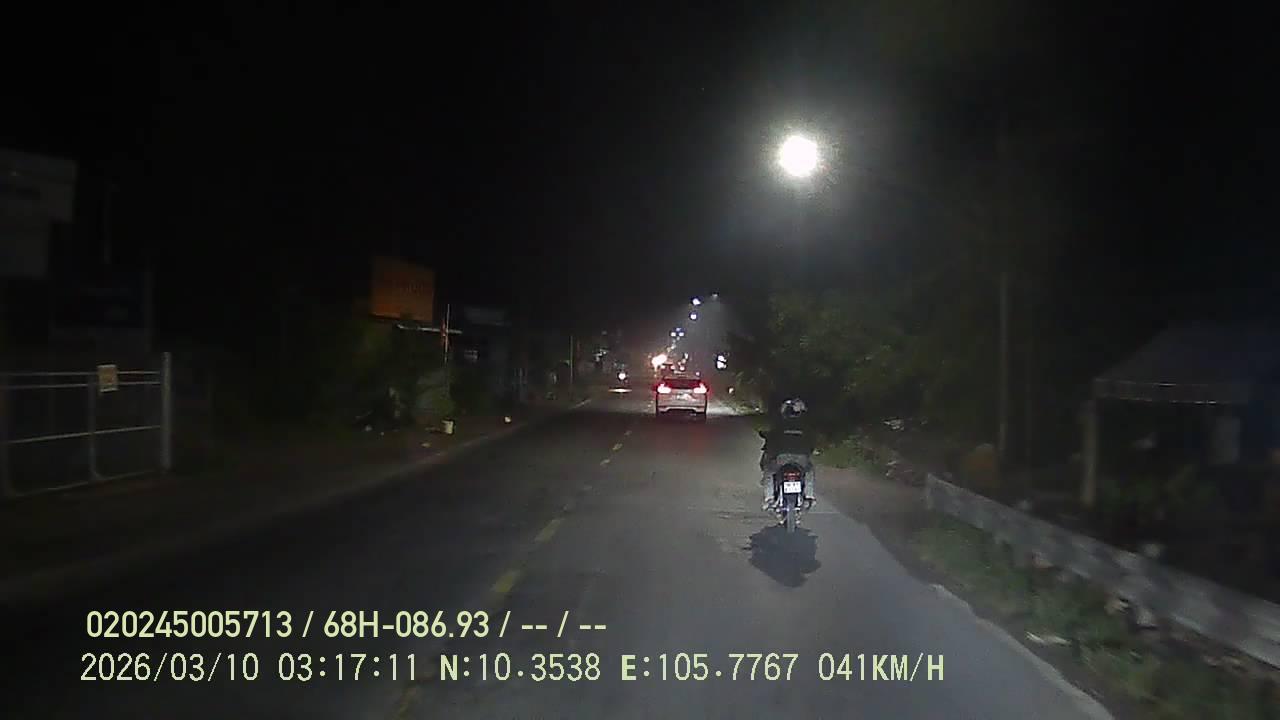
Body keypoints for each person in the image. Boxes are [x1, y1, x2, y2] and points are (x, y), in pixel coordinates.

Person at [759, 398, 817, 510]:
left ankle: (769, 498)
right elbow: (811, 442)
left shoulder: (780, 424)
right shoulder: (806, 426)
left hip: (782, 458)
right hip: (801, 459)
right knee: (809, 471)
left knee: (769, 471)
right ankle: (809, 497)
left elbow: (771, 439)